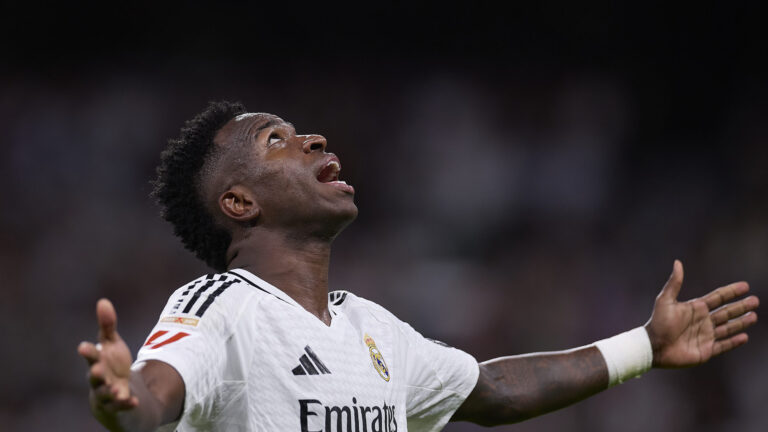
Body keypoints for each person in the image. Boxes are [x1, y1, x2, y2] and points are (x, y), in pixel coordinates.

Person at [78, 101, 759, 432]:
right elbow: (155, 394)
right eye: (275, 140)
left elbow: (489, 390)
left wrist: (644, 345)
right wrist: (122, 399)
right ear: (238, 200)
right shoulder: (220, 305)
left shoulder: (374, 329)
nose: (312, 137)